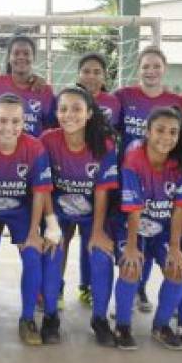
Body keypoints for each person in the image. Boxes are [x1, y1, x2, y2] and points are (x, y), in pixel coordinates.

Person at [113, 106, 182, 351]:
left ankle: (161, 326)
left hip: (162, 228)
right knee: (131, 267)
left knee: (177, 268)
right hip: (131, 226)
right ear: (147, 132)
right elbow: (133, 209)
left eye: (173, 132)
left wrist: (175, 247)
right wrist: (131, 248)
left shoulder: (181, 163)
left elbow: (180, 208)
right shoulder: (134, 159)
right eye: (160, 130)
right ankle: (122, 325)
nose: (166, 137)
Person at [0, 93, 55, 345]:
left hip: (20, 210)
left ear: (23, 122)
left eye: (16, 121)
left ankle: (27, 319)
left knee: (32, 256)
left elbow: (40, 192)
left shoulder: (35, 147)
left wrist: (33, 233)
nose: (9, 127)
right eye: (3, 120)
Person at [39, 87, 119, 346]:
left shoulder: (104, 144)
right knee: (53, 252)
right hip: (58, 211)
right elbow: (44, 187)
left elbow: (102, 192)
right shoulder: (48, 140)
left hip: (93, 213)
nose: (69, 114)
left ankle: (100, 319)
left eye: (76, 109)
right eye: (63, 109)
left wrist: (97, 231)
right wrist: (51, 225)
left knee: (100, 255)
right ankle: (50, 316)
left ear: (89, 114)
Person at [0, 36, 56, 303]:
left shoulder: (44, 90)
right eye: (17, 53)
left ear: (33, 57)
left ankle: (40, 291)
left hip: (29, 167)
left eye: (26, 53)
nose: (21, 57)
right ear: (9, 56)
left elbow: (52, 123)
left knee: (38, 236)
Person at [114, 46, 182, 313]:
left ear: (164, 68)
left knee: (156, 230)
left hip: (162, 178)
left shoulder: (176, 101)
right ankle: (115, 292)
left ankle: (141, 289)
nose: (151, 71)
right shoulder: (124, 96)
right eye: (146, 66)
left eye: (156, 66)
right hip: (128, 176)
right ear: (138, 69)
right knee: (131, 229)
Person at [72, 52, 121, 307]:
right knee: (62, 236)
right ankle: (54, 290)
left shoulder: (114, 102)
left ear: (104, 77)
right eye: (86, 71)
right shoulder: (68, 97)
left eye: (97, 72)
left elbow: (120, 133)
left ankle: (87, 286)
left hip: (101, 178)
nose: (91, 76)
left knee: (92, 236)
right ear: (78, 75)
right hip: (71, 181)